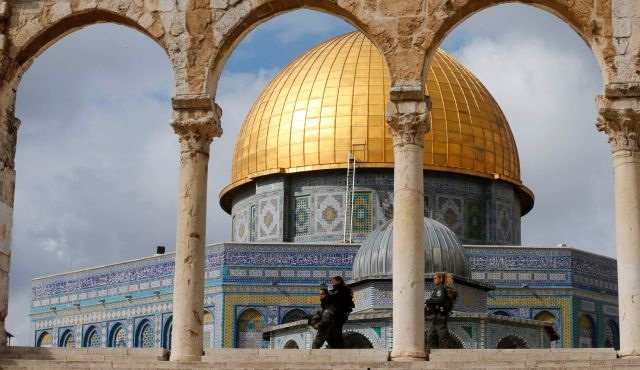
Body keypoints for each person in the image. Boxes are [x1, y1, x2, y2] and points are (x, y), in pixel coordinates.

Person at [425, 271, 457, 349]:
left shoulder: (441, 288)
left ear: (441, 279)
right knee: (430, 335)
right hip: (437, 317)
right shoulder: (439, 288)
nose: (434, 280)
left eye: (435, 278)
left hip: (440, 316)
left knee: (443, 337)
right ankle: (433, 352)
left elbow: (440, 300)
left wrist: (429, 301)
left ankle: (453, 350)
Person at [325, 276, 355, 349]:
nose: (332, 284)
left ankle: (339, 350)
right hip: (335, 315)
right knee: (329, 334)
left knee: (336, 333)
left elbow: (342, 302)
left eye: (333, 282)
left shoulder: (342, 290)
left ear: (338, 281)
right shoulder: (338, 290)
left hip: (339, 315)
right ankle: (336, 349)